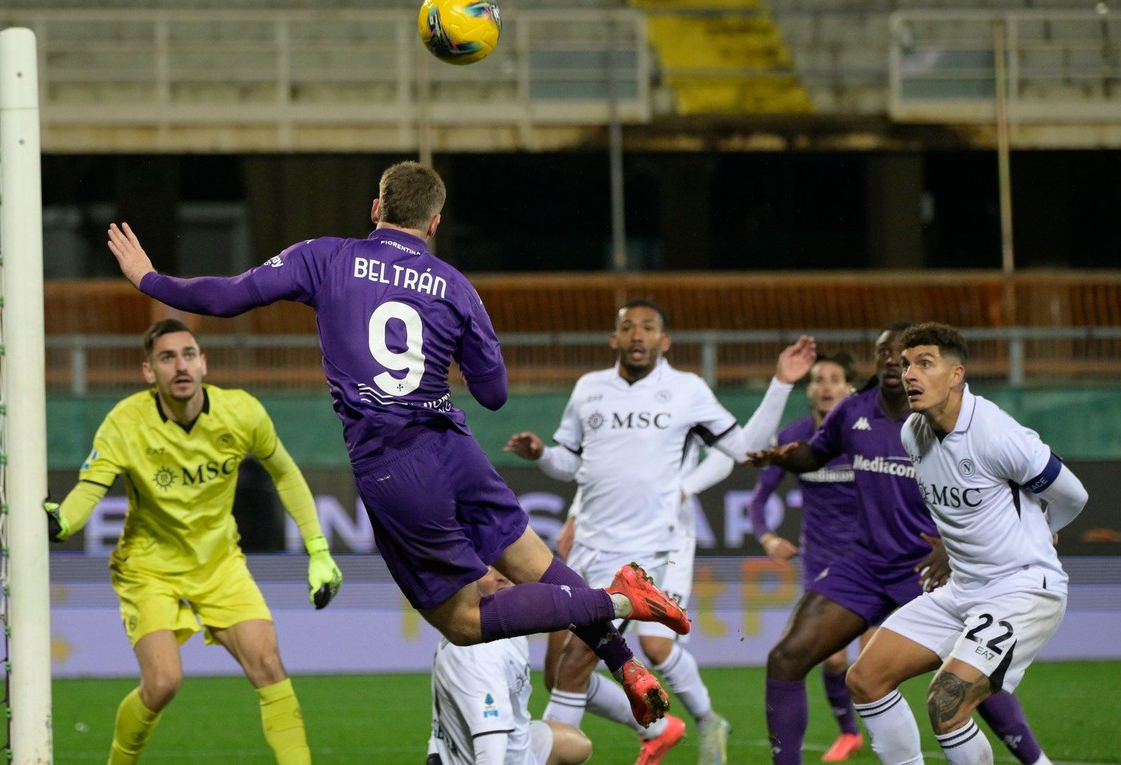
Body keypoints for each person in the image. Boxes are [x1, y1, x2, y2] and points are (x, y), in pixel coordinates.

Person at [105, 160, 731, 726]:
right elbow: (493, 394)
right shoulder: (456, 287)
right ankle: (624, 661)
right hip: (454, 446)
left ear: (376, 209)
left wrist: (149, 278)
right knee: (536, 565)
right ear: (434, 222)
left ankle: (622, 597)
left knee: (463, 622)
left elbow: (227, 295)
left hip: (394, 463)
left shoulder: (324, 257)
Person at [504, 299, 818, 765]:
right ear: (613, 338)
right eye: (627, 327)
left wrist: (779, 384)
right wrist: (542, 455)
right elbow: (570, 462)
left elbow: (745, 449)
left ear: (664, 341)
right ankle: (670, 724)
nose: (637, 334)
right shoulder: (590, 388)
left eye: (648, 327)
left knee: (584, 662)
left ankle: (558, 753)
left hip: (649, 550)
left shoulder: (687, 390)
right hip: (590, 544)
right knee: (558, 672)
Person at [749, 322, 1056, 765]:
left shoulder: (947, 420)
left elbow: (996, 487)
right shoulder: (853, 411)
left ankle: (1037, 762)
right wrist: (784, 455)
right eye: (885, 353)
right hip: (865, 564)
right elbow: (814, 455)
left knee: (969, 682)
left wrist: (952, 546)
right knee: (786, 657)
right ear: (875, 363)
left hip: (927, 571)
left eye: (907, 355)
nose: (894, 361)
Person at [42, 319, 343, 765]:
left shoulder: (241, 413)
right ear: (149, 372)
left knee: (269, 666)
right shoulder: (126, 423)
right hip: (148, 566)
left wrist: (319, 551)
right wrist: (64, 522)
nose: (179, 366)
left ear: (203, 363)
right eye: (166, 358)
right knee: (163, 683)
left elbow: (285, 472)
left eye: (187, 355)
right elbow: (92, 486)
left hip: (220, 563)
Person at [846, 322, 1087, 765]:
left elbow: (1073, 494)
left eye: (925, 363)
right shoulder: (913, 433)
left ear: (956, 375)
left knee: (946, 703)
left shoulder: (997, 434)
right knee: (865, 677)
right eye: (905, 364)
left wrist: (1049, 530)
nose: (909, 374)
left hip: (1023, 589)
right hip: (962, 591)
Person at [745, 352, 865, 762]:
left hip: (873, 556)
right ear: (809, 388)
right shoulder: (793, 436)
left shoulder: (865, 434)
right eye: (818, 379)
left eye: (835, 378)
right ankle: (850, 732)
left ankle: (887, 737)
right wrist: (766, 537)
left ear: (850, 387)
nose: (826, 385)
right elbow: (758, 499)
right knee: (832, 657)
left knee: (875, 665)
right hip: (822, 559)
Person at [428, 568, 593, 765]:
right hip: (485, 755)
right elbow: (490, 756)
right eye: (488, 568)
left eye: (507, 565)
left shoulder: (502, 622)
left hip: (484, 747)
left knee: (575, 745)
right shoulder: (481, 654)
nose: (502, 576)